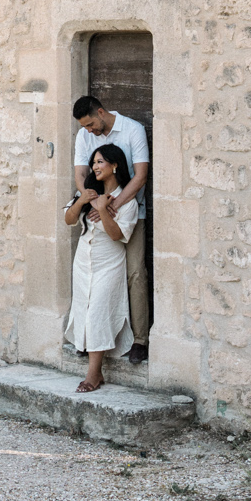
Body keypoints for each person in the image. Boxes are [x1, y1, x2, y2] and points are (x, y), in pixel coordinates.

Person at [73, 93, 151, 363]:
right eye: (84, 127)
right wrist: (91, 200)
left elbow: (140, 174)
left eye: (91, 124)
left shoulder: (133, 130)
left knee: (135, 274)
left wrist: (113, 203)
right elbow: (80, 174)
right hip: (98, 214)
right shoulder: (84, 136)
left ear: (101, 113)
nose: (89, 131)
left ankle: (140, 340)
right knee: (95, 280)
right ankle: (88, 338)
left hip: (130, 212)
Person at [63, 144, 139, 390]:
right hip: (83, 260)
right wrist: (82, 201)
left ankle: (93, 375)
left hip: (109, 262)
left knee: (98, 311)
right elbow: (69, 219)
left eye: (100, 162)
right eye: (93, 162)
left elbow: (117, 235)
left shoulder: (127, 202)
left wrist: (103, 209)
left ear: (115, 165)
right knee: (84, 308)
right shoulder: (89, 192)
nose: (94, 167)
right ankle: (93, 366)